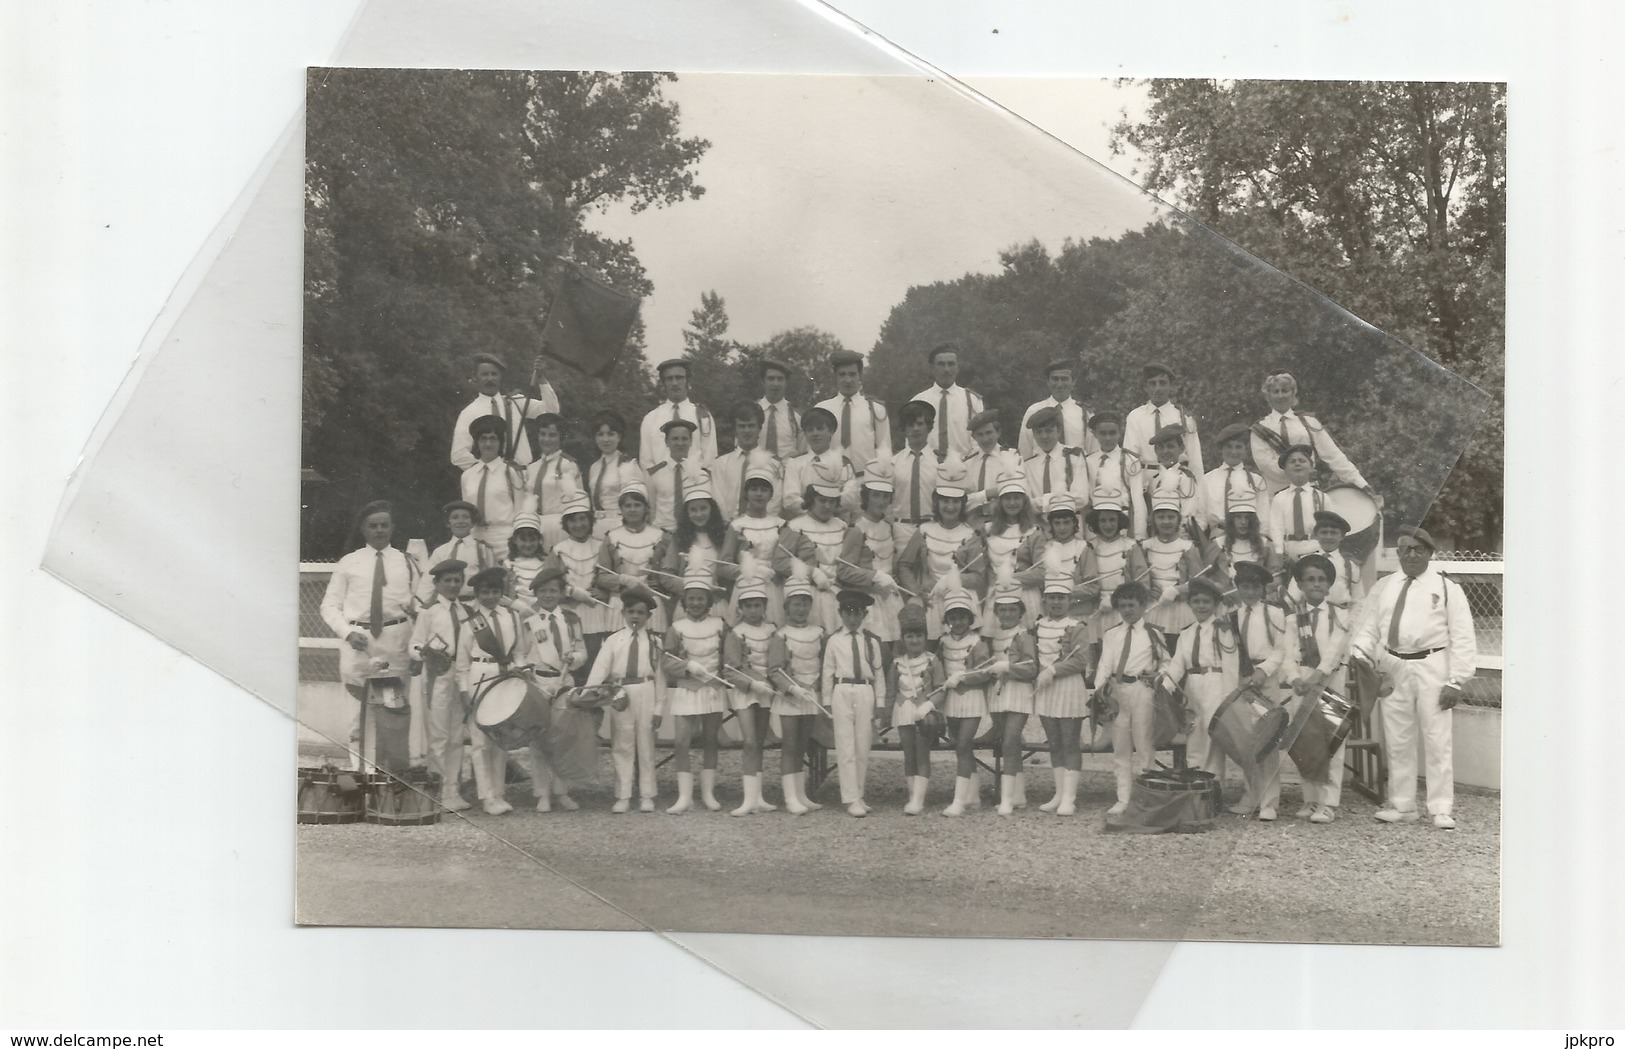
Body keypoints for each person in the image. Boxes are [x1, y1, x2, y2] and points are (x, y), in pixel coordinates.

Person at [1348, 526, 1476, 830]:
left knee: (1437, 738)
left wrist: (1456, 680)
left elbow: (1463, 636)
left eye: (1418, 549)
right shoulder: (1384, 586)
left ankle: (1440, 808)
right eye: (1405, 548)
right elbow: (1368, 627)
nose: (1412, 554)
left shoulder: (1447, 588)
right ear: (1398, 553)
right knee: (1398, 737)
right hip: (1394, 667)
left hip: (1433, 665)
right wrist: (1360, 654)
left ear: (1430, 553)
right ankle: (1403, 805)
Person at [319, 501, 423, 771]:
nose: (379, 531)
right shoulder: (349, 562)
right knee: (359, 716)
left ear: (392, 528)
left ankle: (391, 781)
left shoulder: (406, 562)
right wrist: (348, 633)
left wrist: (416, 643)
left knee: (392, 713)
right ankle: (362, 777)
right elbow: (329, 606)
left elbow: (421, 606)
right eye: (373, 526)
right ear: (363, 530)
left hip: (393, 646)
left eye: (384, 525)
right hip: (360, 647)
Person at [1278, 553, 1354, 824]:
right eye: (1310, 579)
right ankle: (1310, 799)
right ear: (1299, 583)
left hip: (1330, 682)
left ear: (1329, 584)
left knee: (1331, 740)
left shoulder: (1340, 615)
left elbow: (1334, 653)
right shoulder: (1292, 618)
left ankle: (1329, 802)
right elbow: (1288, 653)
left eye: (1322, 579)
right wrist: (1294, 678)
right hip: (1302, 683)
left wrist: (1315, 678)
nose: (1316, 584)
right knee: (1305, 741)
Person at [583, 584, 665, 813]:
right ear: (623, 613)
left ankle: (647, 794)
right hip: (621, 695)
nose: (635, 616)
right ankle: (623, 795)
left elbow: (660, 676)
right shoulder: (613, 640)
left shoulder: (655, 642)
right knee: (622, 744)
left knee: (646, 744)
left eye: (640, 612)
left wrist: (659, 707)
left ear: (648, 615)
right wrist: (588, 693)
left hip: (646, 690)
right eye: (631, 612)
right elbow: (600, 669)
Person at [457, 565, 530, 815]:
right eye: (485, 592)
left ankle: (499, 793)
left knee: (501, 739)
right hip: (480, 677)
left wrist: (520, 670)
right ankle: (486, 796)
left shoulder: (512, 617)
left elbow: (520, 652)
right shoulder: (470, 623)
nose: (490, 596)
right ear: (477, 594)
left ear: (502, 592)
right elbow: (462, 664)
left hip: (506, 678)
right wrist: (464, 693)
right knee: (480, 742)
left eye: (495, 591)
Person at [659, 572, 733, 814]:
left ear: (709, 601)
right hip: (687, 689)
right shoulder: (676, 627)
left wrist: (719, 675)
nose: (696, 603)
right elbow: (666, 662)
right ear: (684, 601)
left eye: (701, 598)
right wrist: (687, 668)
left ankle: (708, 794)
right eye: (691, 598)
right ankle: (684, 797)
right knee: (681, 742)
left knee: (710, 741)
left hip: (712, 689)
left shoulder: (720, 625)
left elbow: (729, 658)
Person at [1092, 581, 1167, 817]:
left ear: (1143, 605)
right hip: (1117, 692)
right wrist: (1102, 690)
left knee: (1144, 745)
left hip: (1142, 691)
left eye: (1132, 605)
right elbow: (1104, 665)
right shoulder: (1112, 634)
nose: (1127, 610)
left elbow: (1167, 663)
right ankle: (1123, 798)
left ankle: (1147, 797)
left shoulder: (1154, 633)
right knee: (1121, 747)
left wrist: (1159, 675)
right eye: (1122, 605)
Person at [519, 563, 588, 812]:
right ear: (536, 594)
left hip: (564, 681)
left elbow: (582, 651)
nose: (548, 595)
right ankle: (542, 793)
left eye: (553, 590)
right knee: (538, 740)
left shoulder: (571, 619)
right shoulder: (529, 620)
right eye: (543, 591)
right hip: (538, 682)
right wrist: (527, 672)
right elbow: (522, 652)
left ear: (561, 593)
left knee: (564, 738)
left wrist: (576, 659)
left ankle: (561, 790)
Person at [1158, 576, 1238, 786]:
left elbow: (1230, 665)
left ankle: (1213, 787)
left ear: (1215, 604)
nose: (1201, 606)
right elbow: (1177, 665)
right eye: (1197, 602)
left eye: (1206, 602)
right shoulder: (1186, 633)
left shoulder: (1223, 630)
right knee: (1193, 734)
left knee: (1212, 738)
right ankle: (1196, 787)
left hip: (1216, 684)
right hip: (1192, 687)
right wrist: (1164, 687)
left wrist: (1229, 699)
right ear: (1189, 604)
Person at [407, 558, 471, 811]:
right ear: (437, 583)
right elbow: (414, 643)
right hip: (437, 675)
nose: (453, 585)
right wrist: (423, 653)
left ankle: (453, 790)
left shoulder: (464, 611)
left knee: (456, 735)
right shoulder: (429, 611)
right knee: (439, 735)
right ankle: (438, 790)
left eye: (457, 580)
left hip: (461, 673)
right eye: (448, 580)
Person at [1227, 560, 1289, 819]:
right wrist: (1238, 678)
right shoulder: (1232, 615)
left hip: (1266, 678)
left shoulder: (1274, 614)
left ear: (1263, 589)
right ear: (1237, 588)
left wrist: (1264, 670)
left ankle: (1270, 803)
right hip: (1241, 679)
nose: (1250, 592)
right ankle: (1251, 795)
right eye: (1244, 586)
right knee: (1247, 741)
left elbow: (1281, 648)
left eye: (1254, 587)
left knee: (1267, 739)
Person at [1250, 371, 1373, 500]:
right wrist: (1301, 473)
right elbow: (1266, 465)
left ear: (1293, 393)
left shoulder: (1309, 422)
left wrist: (1360, 483)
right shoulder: (1260, 428)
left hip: (1309, 492)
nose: (1281, 396)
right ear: (1268, 396)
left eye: (1285, 391)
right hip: (1277, 495)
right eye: (1276, 391)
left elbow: (1334, 456)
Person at [896, 459, 978, 640]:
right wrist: (916, 590)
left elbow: (978, 576)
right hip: (931, 602)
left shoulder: (970, 534)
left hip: (960, 604)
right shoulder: (925, 530)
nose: (950, 506)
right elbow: (903, 565)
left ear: (963, 503)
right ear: (936, 502)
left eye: (956, 501)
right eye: (945, 501)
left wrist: (952, 581)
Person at [820, 589, 884, 817]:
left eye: (857, 612)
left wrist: (881, 702)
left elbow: (879, 673)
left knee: (862, 746)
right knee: (845, 745)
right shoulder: (834, 641)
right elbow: (828, 672)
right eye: (847, 612)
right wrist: (827, 702)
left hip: (865, 690)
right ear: (840, 613)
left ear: (864, 614)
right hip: (842, 690)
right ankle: (849, 798)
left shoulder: (872, 642)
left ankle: (859, 793)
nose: (852, 617)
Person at [720, 581, 783, 816]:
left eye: (757, 605)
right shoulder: (735, 633)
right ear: (741, 608)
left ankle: (758, 796)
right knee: (748, 741)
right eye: (748, 606)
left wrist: (769, 684)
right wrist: (752, 683)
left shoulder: (772, 630)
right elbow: (730, 669)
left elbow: (776, 662)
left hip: (765, 691)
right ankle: (747, 799)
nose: (753, 610)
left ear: (764, 607)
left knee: (759, 742)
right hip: (746, 691)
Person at [1032, 574, 1093, 816]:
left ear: (1069, 601)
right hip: (1046, 689)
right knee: (1054, 743)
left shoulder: (1076, 626)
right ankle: (1058, 793)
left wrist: (1053, 670)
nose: (1056, 602)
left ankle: (1070, 797)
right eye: (1052, 598)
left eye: (1061, 598)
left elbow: (1080, 661)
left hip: (1068, 687)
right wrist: (1040, 673)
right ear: (1045, 600)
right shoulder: (1037, 626)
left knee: (1069, 742)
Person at [837, 458, 907, 656]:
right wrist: (874, 576)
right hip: (869, 601)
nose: (881, 501)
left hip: (891, 600)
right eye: (876, 496)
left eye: (885, 496)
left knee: (895, 654)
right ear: (866, 497)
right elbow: (843, 570)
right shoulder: (856, 529)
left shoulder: (890, 527)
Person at [980, 582, 1039, 815]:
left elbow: (1031, 668)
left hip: (1018, 692)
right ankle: (1018, 795)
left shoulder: (1024, 635)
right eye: (1002, 610)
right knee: (1009, 742)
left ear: (1020, 612)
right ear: (996, 612)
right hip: (997, 693)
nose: (1007, 614)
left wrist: (1007, 667)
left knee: (1010, 741)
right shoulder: (991, 637)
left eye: (1012, 609)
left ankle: (1006, 799)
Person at [778, 460, 858, 632]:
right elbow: (779, 561)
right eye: (822, 500)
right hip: (809, 598)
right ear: (811, 500)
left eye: (832, 501)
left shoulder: (842, 526)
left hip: (839, 597)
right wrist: (810, 571)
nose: (827, 506)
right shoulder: (795, 526)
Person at [449, 351, 559, 471]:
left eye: (494, 374)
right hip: (492, 482)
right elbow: (458, 455)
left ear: (500, 377)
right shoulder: (469, 412)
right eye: (484, 374)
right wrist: (488, 471)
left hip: (522, 476)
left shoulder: (515, 402)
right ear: (475, 378)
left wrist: (541, 378)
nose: (490, 379)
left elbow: (551, 411)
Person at [773, 573, 827, 815]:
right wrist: (793, 687)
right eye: (796, 603)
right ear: (787, 607)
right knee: (790, 745)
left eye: (805, 603)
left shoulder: (819, 633)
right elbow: (774, 670)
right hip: (789, 697)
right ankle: (790, 797)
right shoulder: (780, 635)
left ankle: (801, 794)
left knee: (804, 745)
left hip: (811, 694)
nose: (801, 608)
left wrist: (814, 686)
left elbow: (823, 663)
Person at [549, 492, 617, 679]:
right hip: (569, 612)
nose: (578, 525)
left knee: (596, 664)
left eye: (582, 519)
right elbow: (549, 585)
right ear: (565, 524)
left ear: (590, 520)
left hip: (596, 613)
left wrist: (604, 591)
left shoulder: (601, 546)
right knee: (572, 664)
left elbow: (611, 576)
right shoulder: (558, 550)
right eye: (572, 520)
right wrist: (571, 592)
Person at [936, 589, 991, 816]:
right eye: (953, 617)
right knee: (960, 746)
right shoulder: (943, 642)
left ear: (970, 619)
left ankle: (958, 801)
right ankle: (973, 795)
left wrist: (963, 677)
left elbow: (985, 673)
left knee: (963, 744)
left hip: (972, 697)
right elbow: (937, 669)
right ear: (947, 620)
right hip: (951, 699)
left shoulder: (978, 642)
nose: (957, 622)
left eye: (962, 617)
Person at [885, 604, 944, 816]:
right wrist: (882, 718)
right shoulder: (897, 663)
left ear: (925, 637)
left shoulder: (932, 660)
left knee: (922, 754)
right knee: (908, 754)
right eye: (910, 636)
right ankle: (912, 797)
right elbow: (891, 691)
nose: (914, 640)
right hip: (903, 709)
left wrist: (929, 705)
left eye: (919, 635)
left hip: (924, 711)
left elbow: (940, 688)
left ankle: (919, 800)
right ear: (903, 638)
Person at [1075, 488, 1150, 652]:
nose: (1107, 525)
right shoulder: (1090, 547)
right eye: (1103, 521)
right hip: (1098, 611)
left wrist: (1119, 600)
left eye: (1112, 520)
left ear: (1119, 522)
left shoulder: (1130, 546)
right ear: (1096, 523)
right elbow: (1084, 582)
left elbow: (1142, 583)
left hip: (1125, 610)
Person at [963, 471, 1042, 626]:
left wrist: (1008, 580)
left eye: (1017, 498)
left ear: (1024, 502)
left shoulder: (1033, 532)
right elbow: (982, 566)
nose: (1012, 503)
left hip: (1025, 597)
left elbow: (1041, 571)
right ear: (1000, 502)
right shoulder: (987, 530)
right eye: (1007, 498)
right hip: (997, 596)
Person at [719, 462, 790, 625]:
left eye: (764, 490)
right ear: (746, 493)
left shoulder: (780, 524)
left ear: (771, 494)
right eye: (754, 489)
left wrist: (776, 572)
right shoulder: (737, 525)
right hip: (747, 585)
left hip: (773, 587)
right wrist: (752, 570)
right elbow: (722, 566)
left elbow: (787, 561)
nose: (759, 494)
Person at [599, 481, 668, 633]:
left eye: (637, 505)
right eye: (627, 506)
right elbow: (602, 576)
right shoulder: (611, 537)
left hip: (651, 602)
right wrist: (623, 579)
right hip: (620, 602)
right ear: (621, 509)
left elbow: (667, 574)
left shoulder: (660, 537)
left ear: (645, 508)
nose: (632, 509)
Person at [1142, 496, 1206, 651]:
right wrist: (1147, 588)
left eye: (1171, 517)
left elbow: (1199, 582)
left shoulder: (1188, 547)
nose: (1166, 522)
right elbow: (1137, 576)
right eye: (1161, 517)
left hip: (1180, 610)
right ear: (1153, 519)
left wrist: (1178, 590)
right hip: (1152, 608)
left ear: (1178, 520)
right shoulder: (1145, 546)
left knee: (1178, 650)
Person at [1014, 493, 1090, 622]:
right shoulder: (1045, 548)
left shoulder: (1084, 548)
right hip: (1051, 614)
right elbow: (1038, 579)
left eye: (1066, 522)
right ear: (1051, 525)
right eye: (1057, 523)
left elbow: (1092, 587)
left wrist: (1063, 594)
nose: (1062, 528)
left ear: (1074, 523)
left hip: (1079, 613)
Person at [889, 399, 954, 548]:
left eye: (920, 424)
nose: (916, 429)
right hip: (902, 530)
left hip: (933, 528)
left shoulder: (941, 462)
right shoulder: (893, 463)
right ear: (904, 429)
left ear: (929, 427)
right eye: (910, 425)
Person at [651, 479, 727, 604]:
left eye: (703, 508)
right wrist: (692, 586)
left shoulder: (723, 536)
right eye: (693, 510)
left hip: (717, 602)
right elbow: (666, 576)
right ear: (687, 512)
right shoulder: (679, 538)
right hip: (689, 603)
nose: (699, 514)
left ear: (712, 509)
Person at [461, 415, 528, 553]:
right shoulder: (467, 476)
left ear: (500, 442)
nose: (488, 444)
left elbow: (521, 512)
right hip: (475, 538)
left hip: (504, 539)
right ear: (477, 443)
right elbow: (465, 512)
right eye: (483, 439)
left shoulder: (511, 473)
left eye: (493, 438)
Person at [910, 341, 985, 461]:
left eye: (951, 364)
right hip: (927, 467)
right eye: (941, 364)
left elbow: (979, 439)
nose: (946, 369)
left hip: (963, 467)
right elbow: (911, 441)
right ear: (932, 368)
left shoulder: (972, 400)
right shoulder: (918, 401)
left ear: (958, 368)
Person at [638, 357, 718, 470]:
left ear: (687, 380)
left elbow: (710, 460)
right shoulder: (651, 419)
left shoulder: (703, 416)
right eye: (669, 379)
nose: (674, 383)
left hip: (695, 483)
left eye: (679, 378)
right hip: (661, 484)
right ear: (664, 383)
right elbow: (646, 462)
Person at [816, 348, 890, 470]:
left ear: (860, 375)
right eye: (842, 374)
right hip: (830, 480)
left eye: (852, 374)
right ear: (835, 376)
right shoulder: (822, 409)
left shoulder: (876, 410)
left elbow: (885, 451)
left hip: (866, 482)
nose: (847, 380)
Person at [1283, 510, 1366, 618]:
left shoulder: (1350, 566)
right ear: (1316, 535)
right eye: (1324, 532)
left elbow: (1358, 601)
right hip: (1310, 617)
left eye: (1333, 533)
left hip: (1339, 620)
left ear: (1342, 536)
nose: (1328, 537)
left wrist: (1351, 624)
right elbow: (1293, 595)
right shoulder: (1306, 561)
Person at [780, 407, 859, 518]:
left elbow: (851, 497)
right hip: (804, 523)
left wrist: (828, 509)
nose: (815, 434)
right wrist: (814, 513)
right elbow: (790, 499)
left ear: (831, 431)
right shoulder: (795, 463)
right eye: (810, 430)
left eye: (820, 429)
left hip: (836, 522)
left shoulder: (843, 463)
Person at [417, 500, 501, 604]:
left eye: (465, 517)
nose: (460, 521)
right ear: (448, 523)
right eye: (455, 517)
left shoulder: (482, 549)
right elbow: (427, 582)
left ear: (472, 523)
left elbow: (494, 579)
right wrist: (419, 606)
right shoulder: (440, 552)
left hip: (475, 604)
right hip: (446, 605)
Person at [711, 403, 782, 522]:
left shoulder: (773, 464)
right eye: (742, 426)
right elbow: (718, 499)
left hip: (762, 528)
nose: (747, 431)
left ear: (759, 428)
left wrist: (757, 524)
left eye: (751, 426)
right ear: (734, 429)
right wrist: (731, 526)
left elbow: (775, 500)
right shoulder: (721, 464)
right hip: (728, 527)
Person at [1124, 362, 1203, 469]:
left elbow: (1195, 459)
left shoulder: (1184, 417)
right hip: (1145, 477)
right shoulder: (1135, 417)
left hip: (1177, 477)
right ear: (1145, 388)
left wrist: (1195, 484)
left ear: (1171, 386)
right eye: (1152, 384)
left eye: (1162, 383)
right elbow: (1130, 458)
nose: (1158, 389)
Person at [525, 412, 585, 551]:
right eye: (543, 434)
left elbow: (578, 503)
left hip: (559, 528)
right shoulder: (532, 468)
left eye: (552, 435)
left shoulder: (568, 465)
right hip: (536, 528)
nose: (546, 439)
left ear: (560, 437)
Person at [583, 409, 647, 537]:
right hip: (597, 526)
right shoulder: (594, 467)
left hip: (619, 523)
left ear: (619, 437)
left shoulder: (628, 464)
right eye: (600, 434)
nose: (605, 439)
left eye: (610, 434)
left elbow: (637, 500)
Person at [1083, 411, 1146, 539]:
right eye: (1103, 433)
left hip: (1120, 521)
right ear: (1095, 434)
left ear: (1119, 433)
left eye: (1112, 433)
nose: (1107, 438)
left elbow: (1138, 501)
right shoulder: (1088, 461)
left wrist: (1139, 535)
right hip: (1095, 522)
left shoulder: (1130, 461)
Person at [1202, 501, 1281, 599]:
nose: (1243, 522)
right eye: (1238, 517)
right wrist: (1219, 591)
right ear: (1231, 520)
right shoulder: (1217, 545)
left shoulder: (1265, 545)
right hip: (1226, 603)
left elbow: (1276, 577)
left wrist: (1261, 591)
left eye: (1247, 518)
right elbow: (1203, 577)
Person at [1018, 358, 1095, 459]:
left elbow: (1093, 454)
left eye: (1064, 379)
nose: (1059, 384)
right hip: (1041, 472)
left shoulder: (1085, 413)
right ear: (1048, 382)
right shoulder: (1034, 410)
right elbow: (1024, 452)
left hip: (1075, 472)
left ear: (1073, 382)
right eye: (1055, 379)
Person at [1142, 424, 1206, 543]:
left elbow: (1189, 515)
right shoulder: (1154, 480)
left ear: (1181, 448)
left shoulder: (1185, 478)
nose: (1165, 451)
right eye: (1161, 447)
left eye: (1170, 446)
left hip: (1180, 539)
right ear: (1156, 450)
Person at [1202, 422, 1269, 532]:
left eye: (1238, 447)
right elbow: (1201, 515)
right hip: (1218, 534)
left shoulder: (1256, 481)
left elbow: (1263, 515)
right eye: (1229, 447)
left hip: (1248, 536)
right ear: (1221, 449)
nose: (1233, 452)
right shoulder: (1207, 479)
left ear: (1245, 450)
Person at [1022, 406, 1089, 512]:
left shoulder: (1073, 456)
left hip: (1070, 523)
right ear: (1033, 435)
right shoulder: (1028, 465)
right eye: (1039, 432)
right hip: (1040, 525)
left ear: (1059, 431)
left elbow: (1081, 498)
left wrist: (1041, 503)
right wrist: (1061, 498)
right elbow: (1026, 503)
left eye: (1049, 431)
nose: (1044, 436)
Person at [645, 417, 707, 533]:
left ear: (691, 441)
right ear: (666, 442)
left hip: (691, 534)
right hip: (662, 533)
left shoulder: (700, 474)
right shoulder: (655, 473)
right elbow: (651, 507)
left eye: (684, 439)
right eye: (675, 439)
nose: (680, 443)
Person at [1266, 444, 1327, 563]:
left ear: (1311, 467)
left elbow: (1329, 527)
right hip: (1289, 549)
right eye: (1292, 462)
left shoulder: (1322, 498)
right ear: (1286, 470)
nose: (1297, 464)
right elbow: (1276, 528)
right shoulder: (1279, 498)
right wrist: (1279, 552)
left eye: (1302, 461)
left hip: (1314, 547)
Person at [962, 409, 1022, 527]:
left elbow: (1014, 493)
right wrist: (988, 494)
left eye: (989, 433)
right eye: (980, 434)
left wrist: (975, 497)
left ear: (998, 432)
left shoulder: (1012, 457)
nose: (985, 439)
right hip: (973, 522)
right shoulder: (967, 463)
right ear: (974, 437)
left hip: (1003, 522)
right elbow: (962, 501)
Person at [756, 358, 806, 460]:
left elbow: (803, 453)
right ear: (762, 381)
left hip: (788, 472)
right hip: (756, 472)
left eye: (780, 379)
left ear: (786, 382)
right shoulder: (752, 412)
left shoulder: (796, 417)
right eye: (771, 378)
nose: (775, 384)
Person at [503, 512, 548, 611]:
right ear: (515, 540)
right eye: (523, 540)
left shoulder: (547, 562)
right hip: (517, 612)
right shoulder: (509, 564)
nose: (528, 544)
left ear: (539, 540)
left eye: (532, 540)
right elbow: (503, 595)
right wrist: (515, 605)